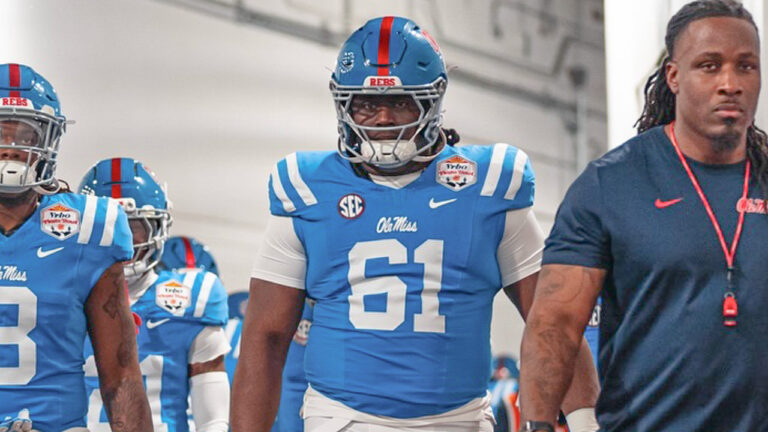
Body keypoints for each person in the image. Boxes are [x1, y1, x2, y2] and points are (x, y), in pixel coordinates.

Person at [232, 16, 599, 432]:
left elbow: (551, 318)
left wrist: (587, 422)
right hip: (342, 419)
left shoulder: (490, 182)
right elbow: (265, 337)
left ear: (433, 101)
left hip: (460, 420)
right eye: (367, 104)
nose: (385, 118)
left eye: (402, 102)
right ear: (344, 104)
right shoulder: (307, 187)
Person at [519, 1, 768, 430]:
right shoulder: (611, 184)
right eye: (709, 66)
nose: (731, 83)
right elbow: (555, 325)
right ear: (674, 76)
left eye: (745, 67)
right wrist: (536, 425)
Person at [0, 64, 152, 431]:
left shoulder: (87, 229)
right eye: (1, 136)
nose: (11, 149)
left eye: (25, 137)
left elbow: (121, 375)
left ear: (46, 144)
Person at [79, 158, 231, 432]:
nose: (122, 241)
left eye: (134, 227)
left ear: (157, 227)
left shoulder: (192, 298)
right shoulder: (62, 295)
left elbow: (213, 420)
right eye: (110, 227)